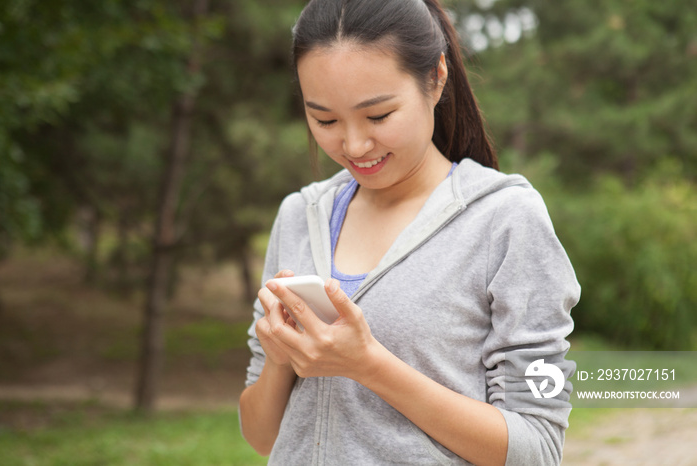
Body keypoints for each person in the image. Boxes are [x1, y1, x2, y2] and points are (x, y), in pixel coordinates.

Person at [239, 0, 580, 465]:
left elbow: (536, 448)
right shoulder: (300, 215)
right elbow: (261, 438)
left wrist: (367, 365)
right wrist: (282, 358)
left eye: (378, 116)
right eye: (325, 120)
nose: (354, 145)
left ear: (436, 77)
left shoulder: (505, 220)